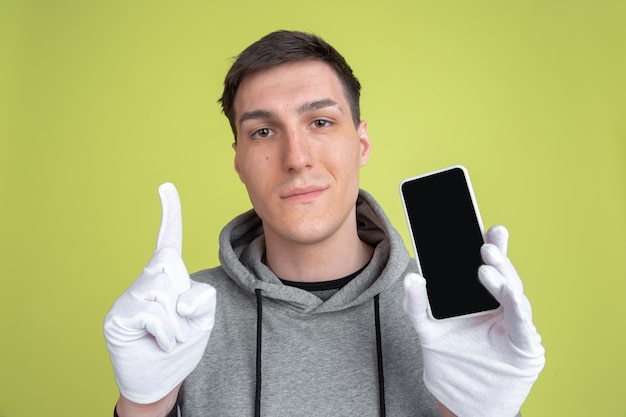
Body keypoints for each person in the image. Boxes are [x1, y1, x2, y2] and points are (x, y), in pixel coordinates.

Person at [104, 30, 545, 417]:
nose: (296, 157)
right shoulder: (181, 317)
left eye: (320, 121)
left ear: (362, 143)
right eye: (263, 132)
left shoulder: (453, 317)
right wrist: (143, 405)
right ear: (238, 160)